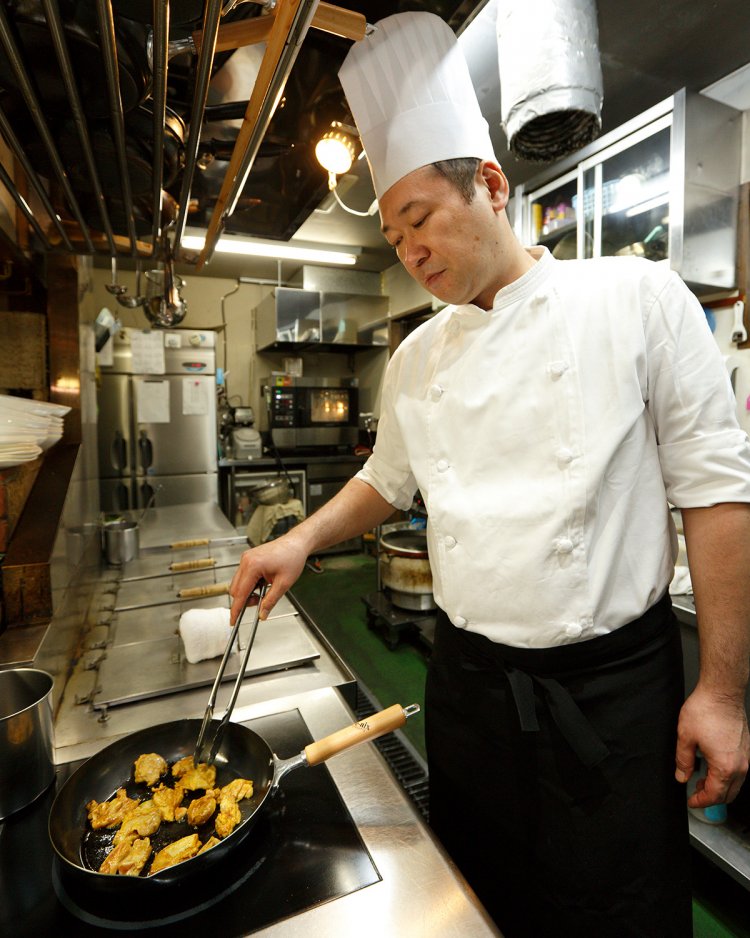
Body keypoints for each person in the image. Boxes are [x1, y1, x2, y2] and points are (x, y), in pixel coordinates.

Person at [230, 12, 750, 937]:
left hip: (609, 696)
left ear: (493, 186)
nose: (412, 250)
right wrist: (301, 537)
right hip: (468, 689)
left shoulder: (636, 299)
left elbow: (718, 494)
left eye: (422, 218)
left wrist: (720, 691)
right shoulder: (417, 359)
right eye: (395, 237)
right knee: (477, 901)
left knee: (618, 910)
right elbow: (388, 482)